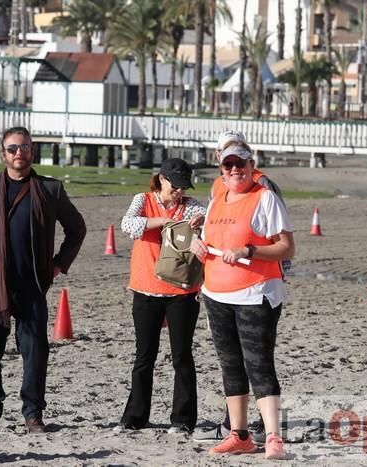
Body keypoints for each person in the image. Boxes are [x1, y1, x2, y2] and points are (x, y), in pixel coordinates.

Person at [0, 126, 87, 434]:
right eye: (12, 148)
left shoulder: (51, 189)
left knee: (35, 350)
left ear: (32, 151)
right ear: (3, 153)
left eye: (24, 147)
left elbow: (77, 229)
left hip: (32, 282)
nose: (19, 153)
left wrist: (59, 265)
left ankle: (33, 414)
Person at [189, 141, 295, 460]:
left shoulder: (265, 198)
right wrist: (198, 245)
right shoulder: (217, 199)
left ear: (252, 165)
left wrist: (249, 251)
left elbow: (286, 248)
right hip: (216, 293)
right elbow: (209, 241)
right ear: (221, 167)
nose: (234, 170)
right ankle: (240, 434)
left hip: (256, 293)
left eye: (241, 163)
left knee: (258, 363)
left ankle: (274, 435)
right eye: (228, 164)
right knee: (230, 364)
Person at [115, 158, 206, 434]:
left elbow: (209, 223)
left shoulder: (192, 206)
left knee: (182, 356)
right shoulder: (142, 200)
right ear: (162, 179)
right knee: (144, 355)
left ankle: (182, 419)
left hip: (182, 292)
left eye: (183, 187)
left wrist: (202, 224)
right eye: (174, 186)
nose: (178, 191)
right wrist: (164, 220)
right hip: (145, 289)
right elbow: (128, 225)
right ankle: (135, 416)